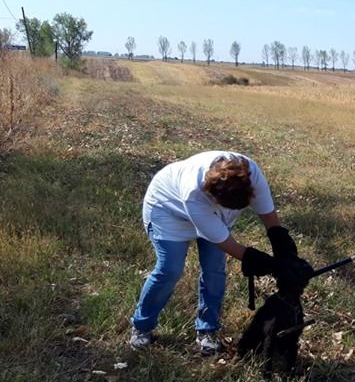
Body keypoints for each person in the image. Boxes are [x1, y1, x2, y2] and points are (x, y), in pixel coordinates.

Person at [129, 151, 312, 355]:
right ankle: (142, 327)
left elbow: (270, 219)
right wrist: (270, 265)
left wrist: (284, 251)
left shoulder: (252, 176)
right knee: (170, 270)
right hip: (167, 210)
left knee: (214, 270)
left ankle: (207, 331)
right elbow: (228, 244)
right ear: (213, 196)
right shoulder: (194, 194)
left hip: (209, 213)